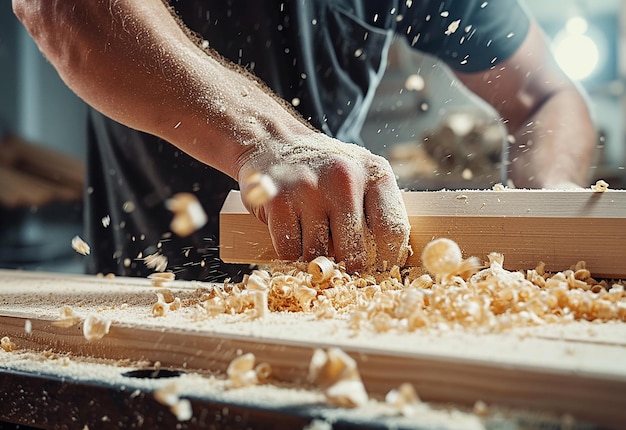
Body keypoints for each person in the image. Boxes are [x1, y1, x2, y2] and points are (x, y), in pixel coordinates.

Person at [12, 0, 595, 281]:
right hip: (149, 296)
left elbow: (544, 95)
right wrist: (270, 141)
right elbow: (62, 8)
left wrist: (551, 195)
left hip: (331, 293)